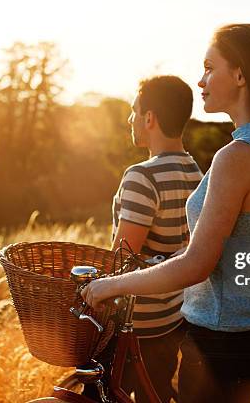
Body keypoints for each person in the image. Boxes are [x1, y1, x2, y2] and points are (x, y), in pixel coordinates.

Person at [82, 24, 250, 402]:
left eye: (209, 67)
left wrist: (113, 284)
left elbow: (197, 265)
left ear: (240, 75)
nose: (201, 79)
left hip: (221, 344)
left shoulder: (237, 157)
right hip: (247, 332)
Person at [86, 75, 203, 403]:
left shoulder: (141, 176)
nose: (130, 119)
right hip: (172, 319)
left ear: (149, 118)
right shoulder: (197, 172)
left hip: (134, 325)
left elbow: (123, 257)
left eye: (134, 111)